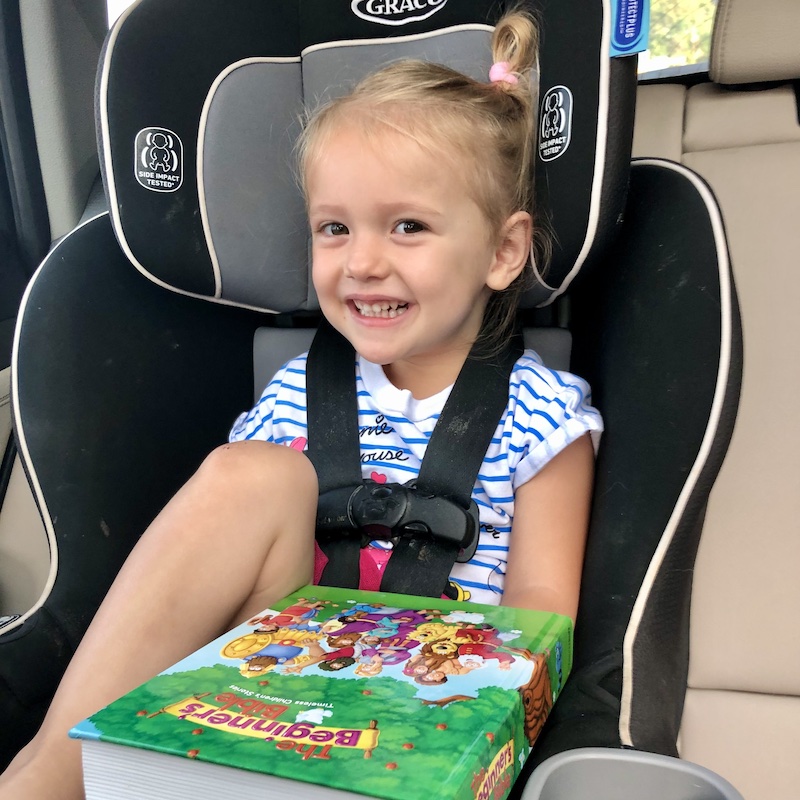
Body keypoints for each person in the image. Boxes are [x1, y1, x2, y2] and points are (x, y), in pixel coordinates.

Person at [0, 8, 601, 798]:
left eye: (408, 227)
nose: (363, 262)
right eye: (334, 228)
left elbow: (536, 627)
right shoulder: (296, 396)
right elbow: (223, 560)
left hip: (427, 720)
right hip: (271, 680)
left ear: (501, 251)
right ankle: (47, 777)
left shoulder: (543, 417)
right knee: (252, 476)